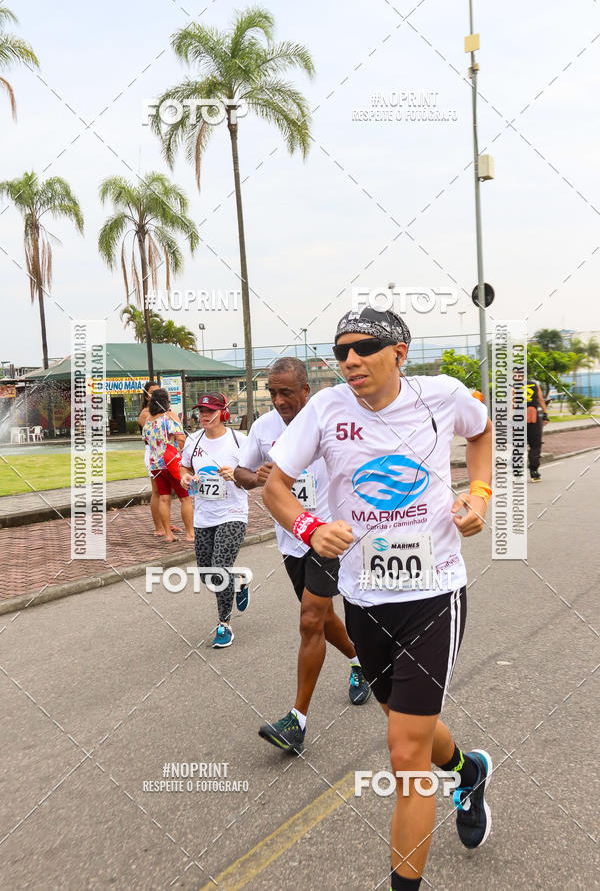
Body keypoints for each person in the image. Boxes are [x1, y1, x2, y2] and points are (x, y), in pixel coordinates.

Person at [262, 308, 494, 888]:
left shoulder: (440, 396)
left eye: (366, 348)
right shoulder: (326, 409)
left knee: (404, 753)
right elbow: (274, 487)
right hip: (364, 598)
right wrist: (311, 528)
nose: (351, 360)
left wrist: (480, 494)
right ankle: (468, 771)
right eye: (342, 351)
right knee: (404, 723)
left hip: (434, 592)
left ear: (400, 352)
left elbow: (484, 429)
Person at [234, 357, 371, 755]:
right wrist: (258, 476)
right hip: (290, 539)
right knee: (324, 620)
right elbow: (241, 473)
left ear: (305, 392)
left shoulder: (326, 422)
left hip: (326, 536)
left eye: (286, 393)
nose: (278, 400)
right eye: (273, 393)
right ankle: (359, 660)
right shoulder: (262, 429)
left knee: (310, 619)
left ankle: (297, 721)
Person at [180, 393, 249, 648]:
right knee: (207, 574)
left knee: (219, 568)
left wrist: (236, 475)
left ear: (223, 411)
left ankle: (224, 624)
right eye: (201, 410)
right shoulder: (193, 441)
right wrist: (185, 478)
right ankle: (239, 580)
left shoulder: (239, 441)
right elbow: (184, 467)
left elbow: (255, 476)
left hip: (233, 513)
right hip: (204, 516)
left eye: (210, 410)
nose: (204, 415)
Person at [142, 388, 194, 542]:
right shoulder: (168, 418)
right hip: (172, 464)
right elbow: (181, 438)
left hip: (156, 465)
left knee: (164, 499)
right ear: (165, 402)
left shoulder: (148, 421)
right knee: (185, 498)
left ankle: (168, 534)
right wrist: (183, 453)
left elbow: (146, 439)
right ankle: (190, 533)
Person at [138, 382, 181, 538]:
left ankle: (166, 524)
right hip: (155, 452)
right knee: (158, 491)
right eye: (152, 392)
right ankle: (159, 527)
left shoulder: (165, 413)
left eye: (158, 391)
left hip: (167, 453)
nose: (155, 395)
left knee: (165, 492)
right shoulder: (146, 414)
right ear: (146, 395)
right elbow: (154, 435)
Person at [526, 379, 548, 482]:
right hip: (532, 417)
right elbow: (541, 399)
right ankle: (534, 471)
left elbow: (511, 405)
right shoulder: (534, 384)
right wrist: (545, 414)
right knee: (535, 445)